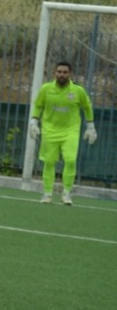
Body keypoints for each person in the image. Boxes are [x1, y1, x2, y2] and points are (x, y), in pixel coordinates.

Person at [29, 61, 97, 205]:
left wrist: (91, 127)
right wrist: (33, 122)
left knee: (70, 160)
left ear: (70, 74)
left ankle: (66, 194)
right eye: (59, 72)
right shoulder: (46, 88)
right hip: (49, 131)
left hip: (70, 131)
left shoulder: (78, 90)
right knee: (49, 162)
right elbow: (38, 105)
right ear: (55, 73)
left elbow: (87, 107)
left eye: (65, 72)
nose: (62, 75)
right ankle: (47, 194)